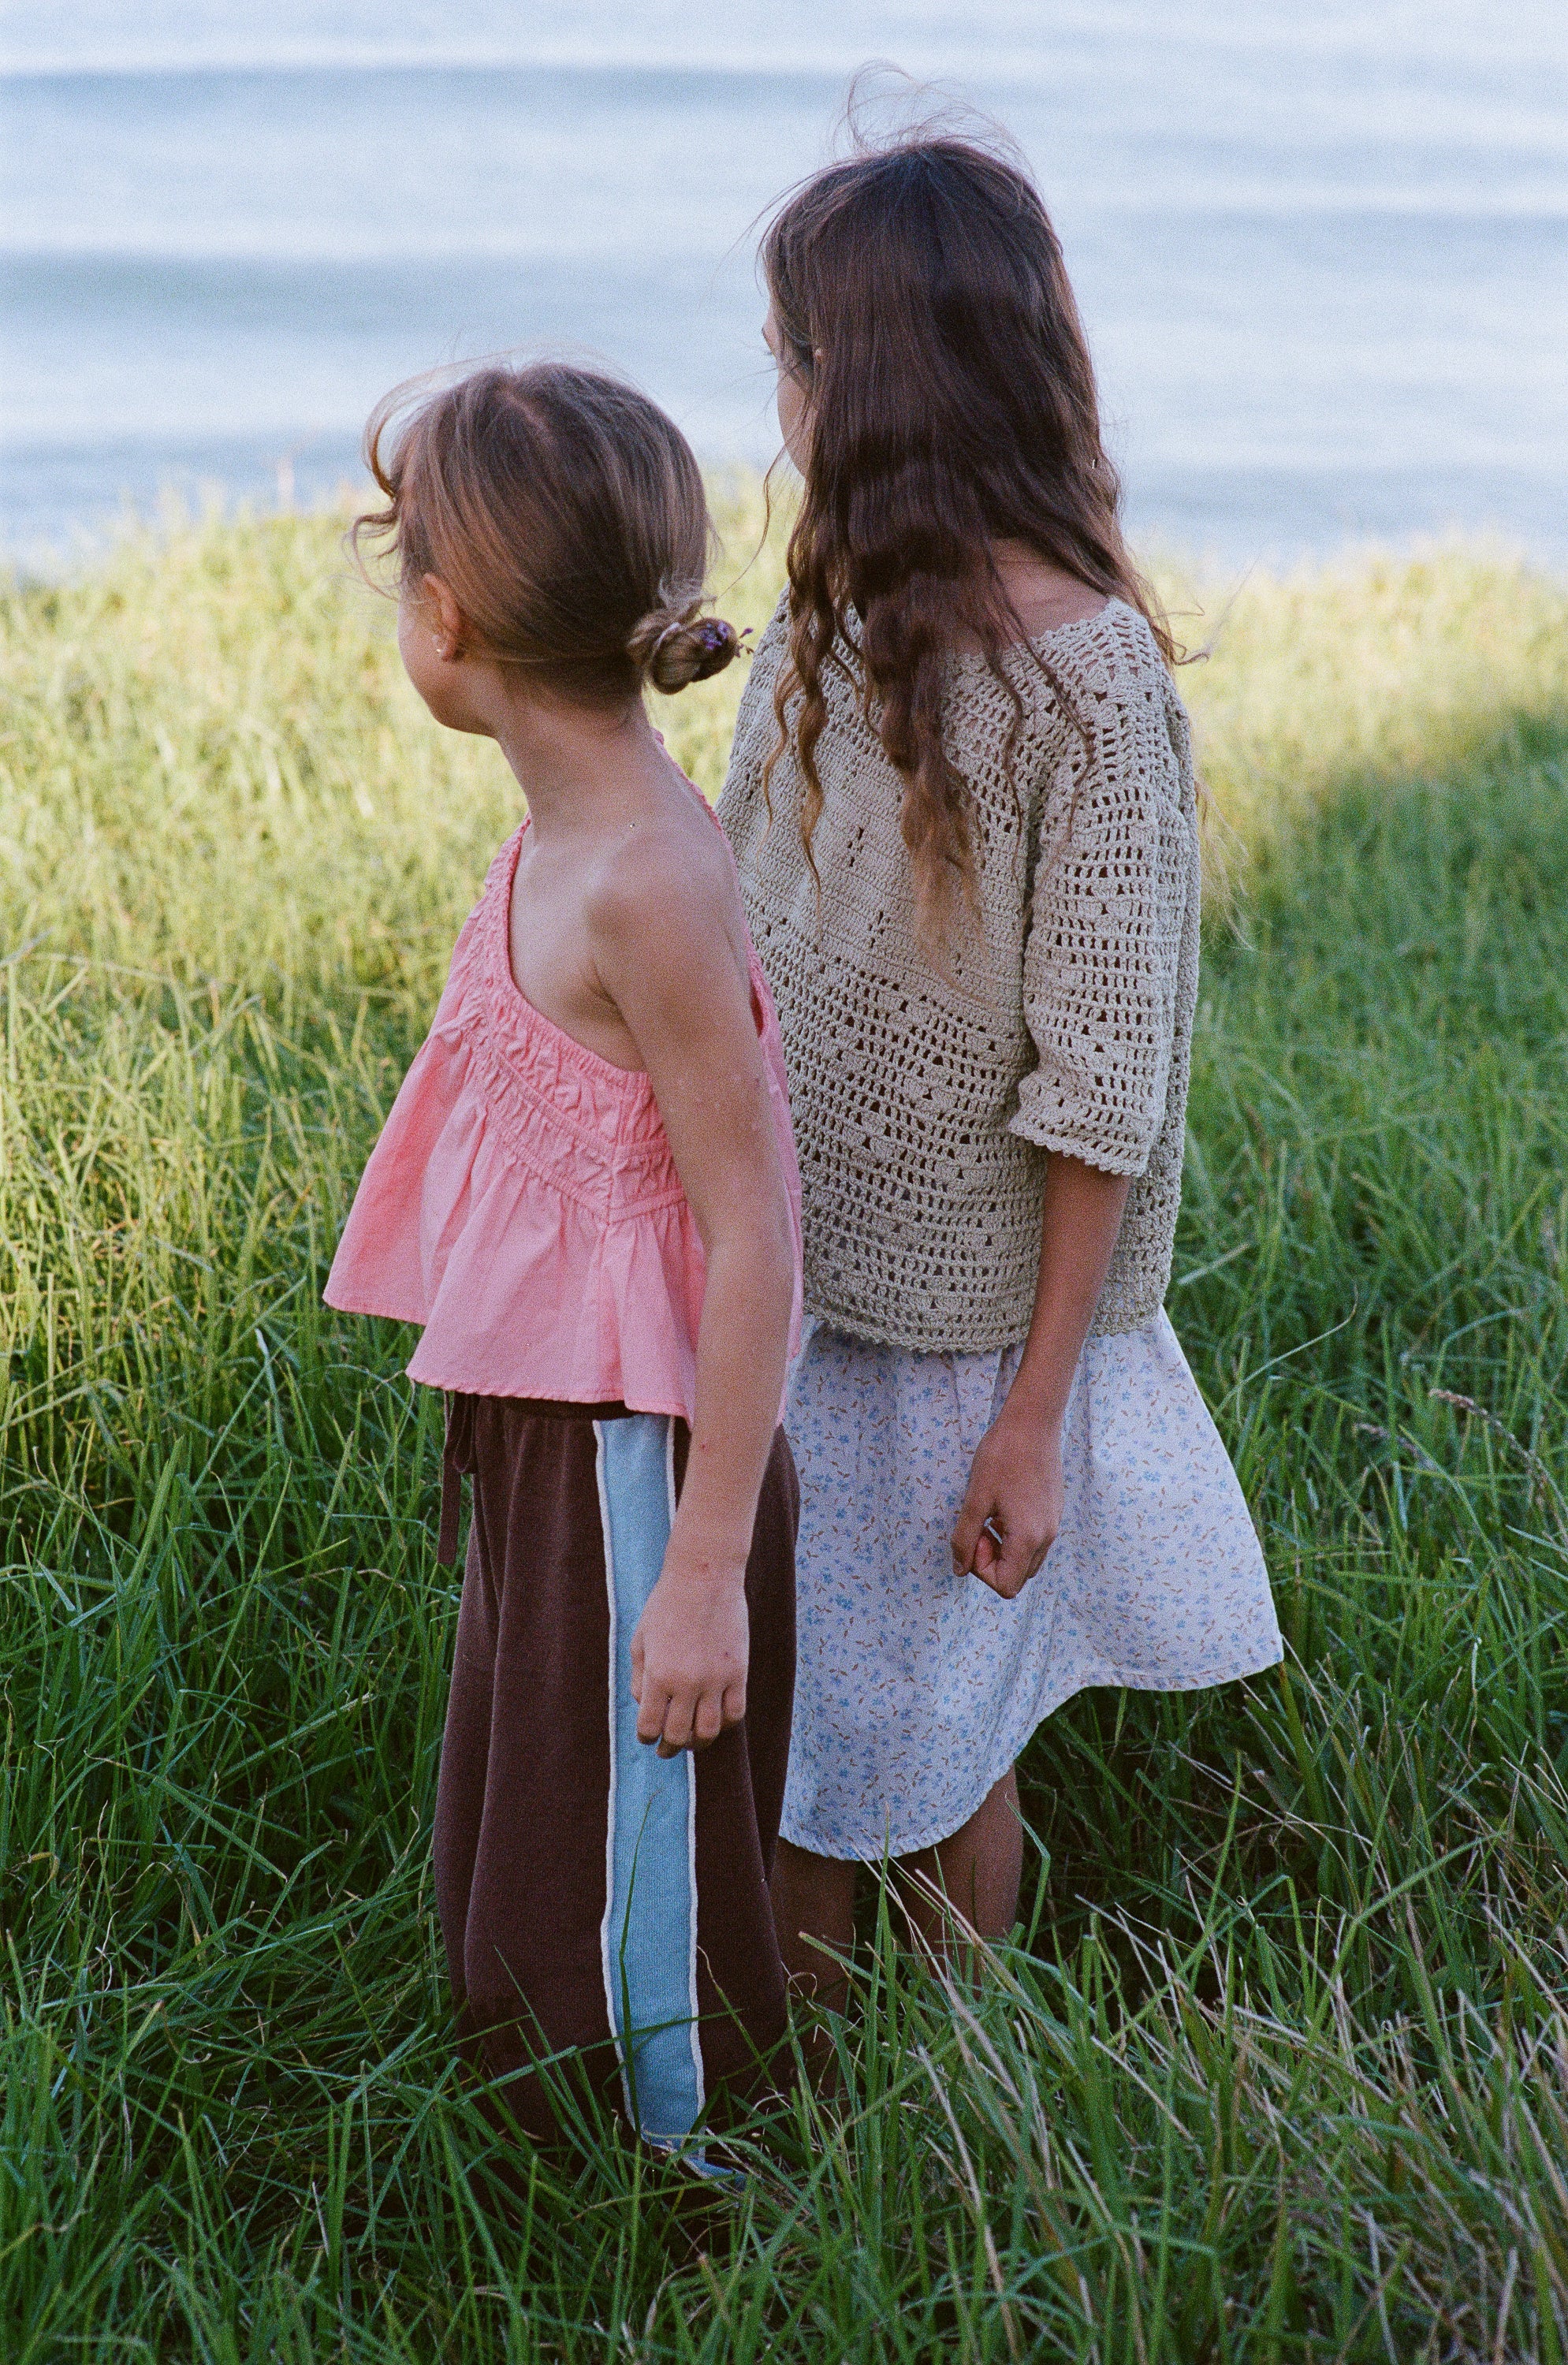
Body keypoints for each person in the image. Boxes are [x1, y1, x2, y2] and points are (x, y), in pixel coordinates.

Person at [718, 129, 1283, 1999]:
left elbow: (1103, 1079)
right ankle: (797, 2104)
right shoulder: (823, 611)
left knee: (929, 1742)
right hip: (792, 1283)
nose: (776, 397)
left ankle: (943, 2106)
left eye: (790, 358)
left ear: (864, 382)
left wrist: (1031, 1418)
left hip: (962, 1340)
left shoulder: (1090, 688)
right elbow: (740, 907)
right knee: (791, 1738)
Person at [326, 361, 803, 2151]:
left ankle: (680, 2181)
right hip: (548, 1433)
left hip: (634, 1455)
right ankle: (547, 2126)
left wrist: (702, 1563)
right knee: (542, 1804)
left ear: (442, 620)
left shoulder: (644, 880)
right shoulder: (567, 826)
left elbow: (753, 1230)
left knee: (632, 1850)